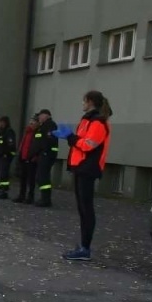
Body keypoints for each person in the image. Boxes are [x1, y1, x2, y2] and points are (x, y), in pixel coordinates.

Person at [63, 90, 112, 261]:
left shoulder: (97, 122)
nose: (82, 104)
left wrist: (70, 137)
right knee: (82, 209)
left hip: (87, 169)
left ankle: (85, 248)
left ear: (90, 102)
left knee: (86, 209)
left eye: (84, 101)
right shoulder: (89, 120)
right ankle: (83, 246)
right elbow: (83, 142)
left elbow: (89, 145)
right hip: (81, 168)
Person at [30, 109, 59, 207]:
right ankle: (44, 198)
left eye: (40, 115)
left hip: (47, 154)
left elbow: (48, 140)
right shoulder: (42, 126)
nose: (39, 118)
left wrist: (44, 150)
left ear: (47, 115)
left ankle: (46, 199)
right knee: (41, 176)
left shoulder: (50, 125)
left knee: (43, 177)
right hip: (42, 154)